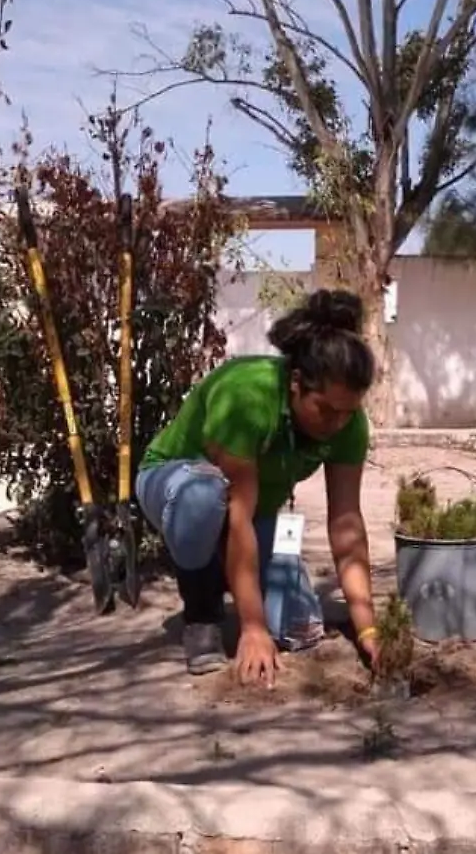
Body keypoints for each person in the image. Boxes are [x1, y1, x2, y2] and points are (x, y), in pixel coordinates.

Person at [136, 289, 380, 685]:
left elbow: (347, 522)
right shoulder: (246, 397)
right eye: (327, 409)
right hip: (174, 484)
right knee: (204, 498)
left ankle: (221, 567)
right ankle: (202, 611)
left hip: (255, 511)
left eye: (347, 412)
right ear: (297, 383)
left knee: (300, 629)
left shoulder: (349, 424)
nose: (337, 423)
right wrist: (252, 628)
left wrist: (367, 626)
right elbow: (237, 517)